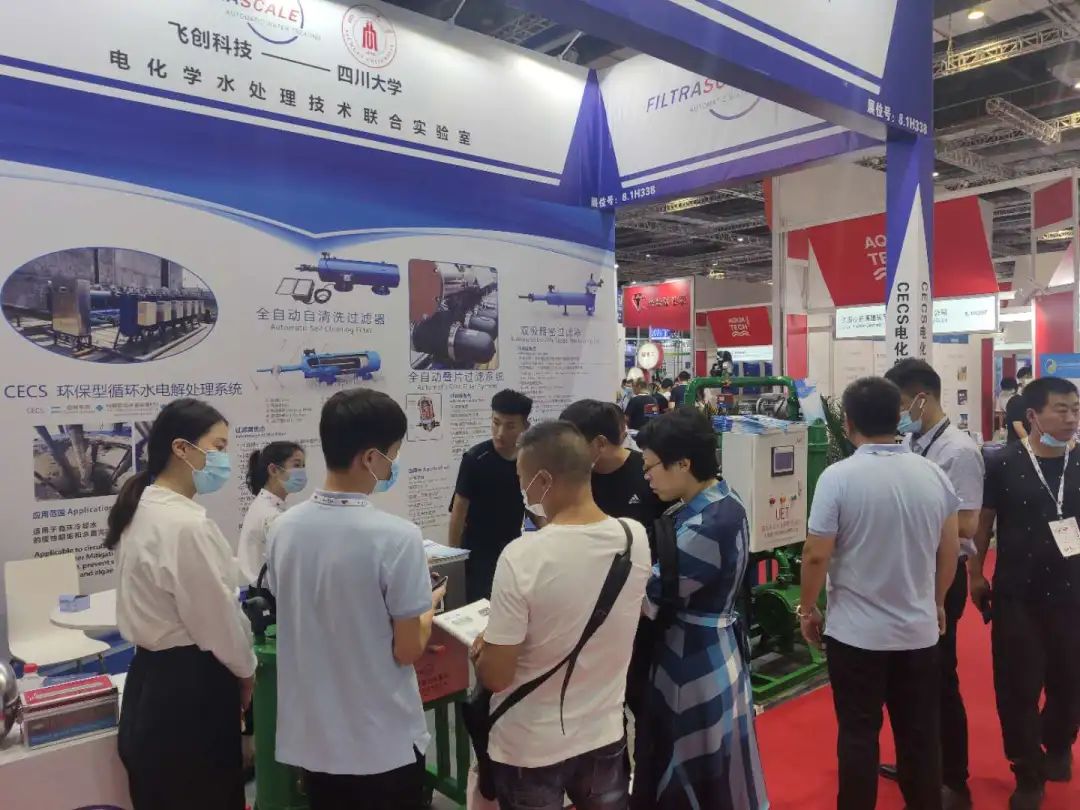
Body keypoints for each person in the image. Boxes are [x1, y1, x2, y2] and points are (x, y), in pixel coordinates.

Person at [267, 389, 446, 810]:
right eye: (392, 454)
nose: (393, 465)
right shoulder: (397, 537)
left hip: (315, 742)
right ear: (370, 458)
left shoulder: (283, 529)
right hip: (381, 742)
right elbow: (407, 649)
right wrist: (428, 608)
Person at [799, 377, 960, 810]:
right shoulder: (931, 474)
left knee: (858, 735)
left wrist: (807, 609)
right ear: (900, 417)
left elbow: (816, 554)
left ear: (848, 422)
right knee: (919, 736)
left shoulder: (838, 477)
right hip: (918, 633)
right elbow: (949, 549)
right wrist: (938, 601)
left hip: (856, 637)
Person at [471, 421, 650, 810]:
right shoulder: (633, 537)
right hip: (603, 732)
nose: (522, 490)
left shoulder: (522, 556)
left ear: (542, 480)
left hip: (529, 744)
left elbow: (497, 676)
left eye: (522, 480)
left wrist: (482, 652)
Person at [107, 399, 256, 810]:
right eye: (218, 446)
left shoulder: (143, 508)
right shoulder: (185, 525)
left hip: (149, 681)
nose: (224, 459)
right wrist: (247, 673)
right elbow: (218, 621)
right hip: (191, 691)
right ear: (181, 448)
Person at [632, 409, 768, 810]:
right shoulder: (722, 499)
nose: (647, 477)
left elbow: (651, 595)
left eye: (651, 467)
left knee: (690, 760)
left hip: (693, 659)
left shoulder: (707, 523)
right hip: (712, 647)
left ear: (683, 464)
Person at [973, 376, 1080, 810]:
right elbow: (984, 523)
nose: (1071, 418)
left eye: (1076, 409)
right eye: (1061, 409)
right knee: (1017, 686)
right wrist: (974, 575)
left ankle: (1058, 742)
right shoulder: (1002, 463)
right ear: (1033, 415)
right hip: (1017, 594)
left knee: (1070, 680)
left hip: (1073, 593)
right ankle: (1026, 772)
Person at [881, 360, 984, 808]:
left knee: (940, 677)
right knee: (908, 679)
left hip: (942, 575)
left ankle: (954, 779)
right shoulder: (908, 443)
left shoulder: (958, 451)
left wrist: (909, 519)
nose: (899, 415)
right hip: (909, 572)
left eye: (901, 404)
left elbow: (967, 524)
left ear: (921, 399)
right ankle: (918, 764)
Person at [448, 389, 532, 601]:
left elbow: (535, 505)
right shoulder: (475, 458)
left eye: (510, 426)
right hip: (477, 553)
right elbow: (458, 513)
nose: (500, 432)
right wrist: (454, 559)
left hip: (513, 548)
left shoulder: (529, 459)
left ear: (525, 426)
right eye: (496, 423)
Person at [559, 399, 671, 542]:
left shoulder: (651, 473)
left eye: (571, 445)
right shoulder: (573, 479)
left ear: (600, 443)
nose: (565, 452)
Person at [237, 441, 306, 586]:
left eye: (303, 466)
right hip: (267, 593)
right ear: (274, 470)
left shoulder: (268, 505)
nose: (302, 471)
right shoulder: (270, 514)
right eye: (296, 465)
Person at [1005, 366, 1033, 443]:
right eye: (1027, 377)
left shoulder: (1033, 401)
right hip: (1019, 447)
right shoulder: (1016, 401)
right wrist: (1031, 446)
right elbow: (1019, 428)